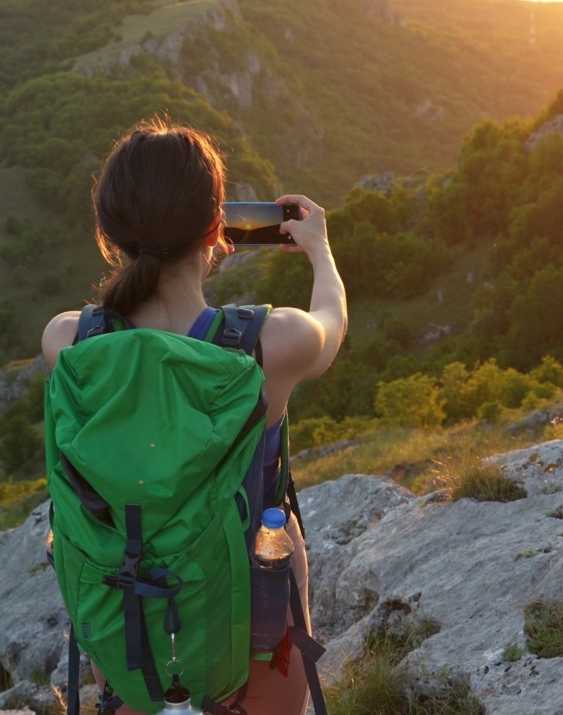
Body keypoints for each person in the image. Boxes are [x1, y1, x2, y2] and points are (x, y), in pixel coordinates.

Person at [41, 117, 347, 715]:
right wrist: (321, 250)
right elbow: (332, 323)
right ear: (217, 227)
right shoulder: (269, 345)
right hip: (256, 639)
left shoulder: (67, 345)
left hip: (130, 643)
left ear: (109, 232)